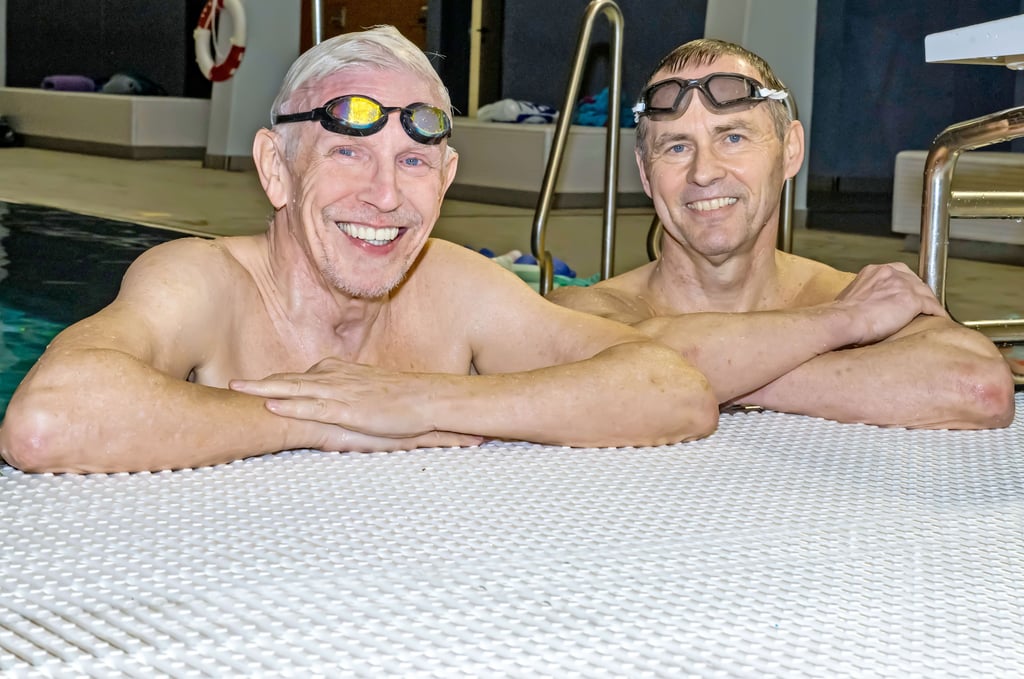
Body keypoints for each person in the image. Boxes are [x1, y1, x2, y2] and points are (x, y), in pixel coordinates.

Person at [0, 27, 718, 474]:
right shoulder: (204, 280)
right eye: (349, 152)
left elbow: (674, 389)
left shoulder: (456, 286)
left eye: (413, 162)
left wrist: (430, 400)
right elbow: (46, 421)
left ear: (446, 181)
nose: (384, 196)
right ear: (276, 170)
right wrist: (326, 420)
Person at [548, 38, 1014, 429]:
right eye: (676, 146)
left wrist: (693, 378)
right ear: (646, 176)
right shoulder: (591, 309)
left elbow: (978, 386)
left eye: (733, 137)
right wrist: (842, 325)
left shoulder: (850, 292)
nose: (704, 172)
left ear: (791, 150)